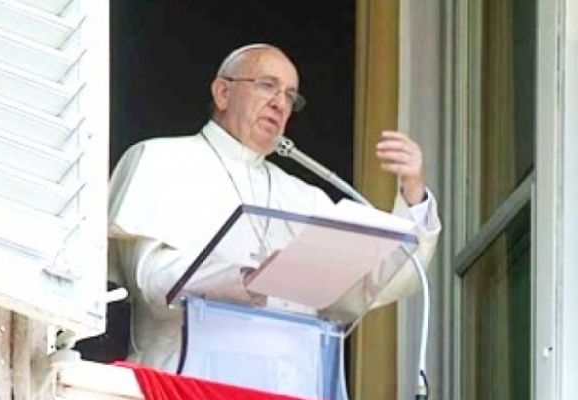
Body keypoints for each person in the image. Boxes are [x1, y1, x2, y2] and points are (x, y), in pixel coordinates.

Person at [108, 43, 441, 374]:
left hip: (288, 383)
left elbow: (366, 285)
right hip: (186, 378)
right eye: (267, 85)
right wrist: (241, 281)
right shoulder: (160, 160)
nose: (280, 104)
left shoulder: (303, 197)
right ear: (223, 93)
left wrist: (413, 194)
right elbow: (150, 280)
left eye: (290, 96)